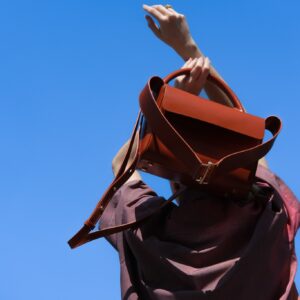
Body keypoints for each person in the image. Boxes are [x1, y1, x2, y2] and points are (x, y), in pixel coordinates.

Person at [99, 4, 300, 300]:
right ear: (240, 170)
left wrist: (172, 107)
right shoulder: (266, 219)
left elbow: (121, 164)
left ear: (173, 177)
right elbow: (249, 144)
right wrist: (189, 48)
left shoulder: (147, 231)